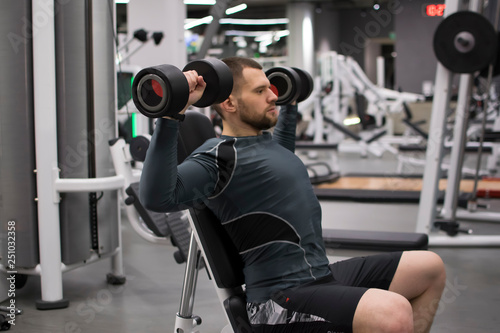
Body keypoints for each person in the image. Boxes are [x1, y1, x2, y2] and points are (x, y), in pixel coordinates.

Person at [140, 57, 446, 333]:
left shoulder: (266, 145)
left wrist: (291, 103)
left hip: (320, 278)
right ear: (230, 104)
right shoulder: (217, 159)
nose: (273, 95)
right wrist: (170, 116)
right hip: (277, 303)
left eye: (272, 88)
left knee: (429, 268)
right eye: (261, 91)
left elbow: (282, 155)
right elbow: (157, 197)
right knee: (391, 313)